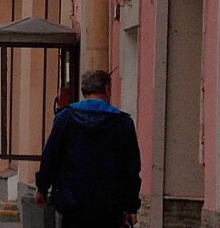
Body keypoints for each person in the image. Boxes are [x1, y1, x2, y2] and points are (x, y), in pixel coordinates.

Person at [34, 69, 141, 228]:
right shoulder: (123, 123)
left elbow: (51, 156)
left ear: (83, 91)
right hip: (110, 208)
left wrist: (42, 187)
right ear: (107, 90)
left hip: (73, 205)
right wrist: (131, 206)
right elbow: (131, 169)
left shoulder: (66, 118)